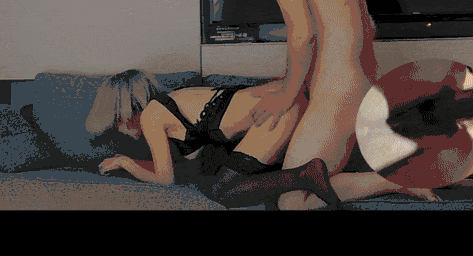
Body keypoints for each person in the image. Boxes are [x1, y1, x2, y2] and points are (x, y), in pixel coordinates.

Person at [249, 0, 440, 209]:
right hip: (364, 86)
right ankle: (405, 175)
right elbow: (362, 26)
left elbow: (302, 33)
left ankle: (398, 180)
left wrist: (287, 94)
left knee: (292, 202)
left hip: (337, 93)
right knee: (306, 191)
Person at [87, 70, 341, 209]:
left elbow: (165, 178)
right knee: (221, 185)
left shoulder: (151, 116)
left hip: (277, 106)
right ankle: (308, 176)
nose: (118, 129)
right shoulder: (166, 111)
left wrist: (126, 162)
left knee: (224, 191)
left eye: (115, 121)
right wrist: (132, 164)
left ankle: (306, 175)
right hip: (282, 100)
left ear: (125, 110)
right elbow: (182, 169)